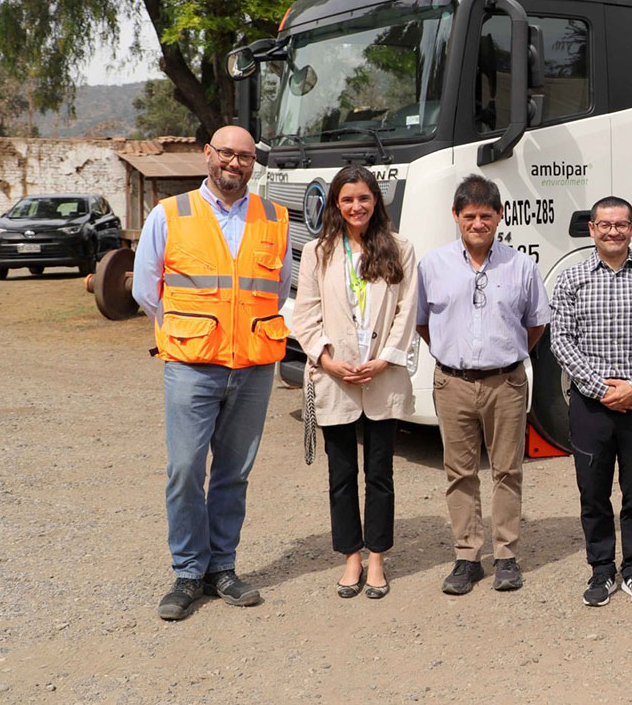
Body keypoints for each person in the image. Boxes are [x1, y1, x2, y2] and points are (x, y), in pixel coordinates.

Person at [132, 125, 292, 622]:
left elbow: (279, 288)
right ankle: (186, 572)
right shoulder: (170, 213)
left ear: (253, 164)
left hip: (252, 366)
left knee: (232, 473)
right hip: (191, 364)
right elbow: (145, 289)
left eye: (244, 157)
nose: (234, 163)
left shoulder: (275, 217)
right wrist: (192, 330)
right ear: (208, 154)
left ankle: (221, 568)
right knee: (184, 471)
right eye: (225, 153)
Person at [416, 174, 550, 595]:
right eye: (469, 215)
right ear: (455, 216)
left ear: (500, 216)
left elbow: (535, 324)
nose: (478, 223)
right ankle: (467, 556)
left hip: (505, 382)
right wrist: (454, 355)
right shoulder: (432, 265)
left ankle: (506, 555)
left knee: (508, 470)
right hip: (452, 383)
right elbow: (423, 322)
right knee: (460, 473)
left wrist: (501, 356)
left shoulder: (521, 265)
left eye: (486, 216)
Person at [291, 165, 418, 600]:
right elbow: (305, 314)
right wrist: (327, 360)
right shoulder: (318, 252)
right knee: (341, 474)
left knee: (380, 473)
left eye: (363, 198)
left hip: (382, 376)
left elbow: (406, 311)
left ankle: (378, 558)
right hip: (336, 377)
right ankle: (351, 558)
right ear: (336, 205)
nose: (356, 206)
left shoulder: (400, 248)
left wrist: (384, 360)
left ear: (375, 201)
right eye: (347, 199)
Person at [551, 196, 632, 607]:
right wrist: (600, 388)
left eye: (621, 224)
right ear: (592, 229)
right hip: (590, 404)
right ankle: (602, 570)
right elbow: (561, 342)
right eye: (604, 224)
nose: (612, 232)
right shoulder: (570, 281)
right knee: (594, 491)